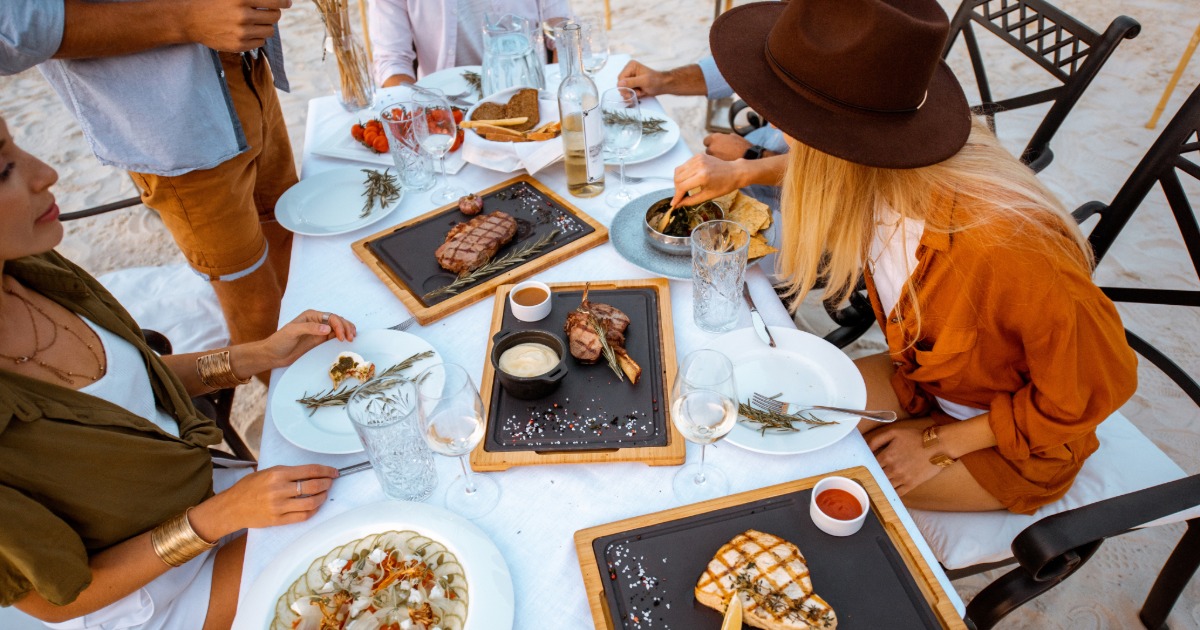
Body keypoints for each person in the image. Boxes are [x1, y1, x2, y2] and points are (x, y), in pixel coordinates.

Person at [707, 0, 1138, 514]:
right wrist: (747, 169)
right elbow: (824, 174)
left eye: (792, 121)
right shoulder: (879, 174)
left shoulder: (1007, 248)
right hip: (921, 381)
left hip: (1012, 439)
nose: (778, 131)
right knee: (766, 427)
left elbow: (1096, 386)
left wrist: (941, 442)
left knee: (809, 484)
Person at [0, 116, 351, 628]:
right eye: (3, 168)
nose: (46, 173)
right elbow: (56, 601)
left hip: (214, 492)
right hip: (148, 593)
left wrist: (258, 354)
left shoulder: (35, 270)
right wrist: (218, 517)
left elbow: (124, 389)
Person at [0, 1, 300, 374]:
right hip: (176, 120)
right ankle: (297, 401)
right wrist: (187, 18)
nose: (47, 175)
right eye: (5, 167)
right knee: (257, 308)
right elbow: (13, 29)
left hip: (246, 61)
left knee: (289, 236)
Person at [617, 54, 789, 209]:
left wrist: (753, 157)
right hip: (754, 149)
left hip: (787, 206)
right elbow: (744, 65)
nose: (774, 123)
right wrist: (663, 80)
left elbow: (807, 170)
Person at [370, 0, 570, 88]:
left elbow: (562, 31)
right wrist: (420, 116)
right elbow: (392, 62)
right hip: (449, 112)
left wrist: (560, 96)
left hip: (533, 96)